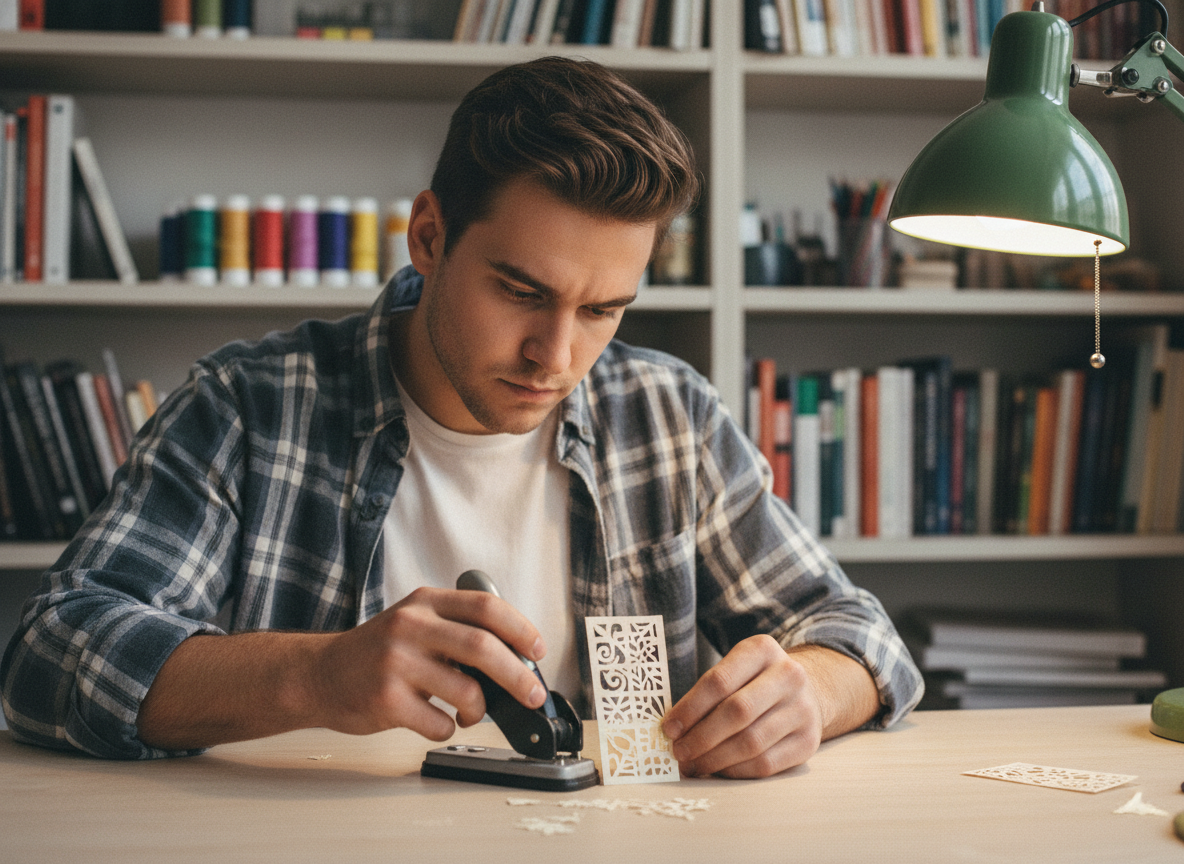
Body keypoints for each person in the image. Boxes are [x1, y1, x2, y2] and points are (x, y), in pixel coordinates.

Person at [0, 57, 922, 777]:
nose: (556, 356)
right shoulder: (249, 406)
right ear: (430, 236)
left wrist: (811, 692)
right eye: (523, 292)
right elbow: (50, 653)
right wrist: (316, 675)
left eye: (603, 310)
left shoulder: (668, 412)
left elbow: (859, 631)